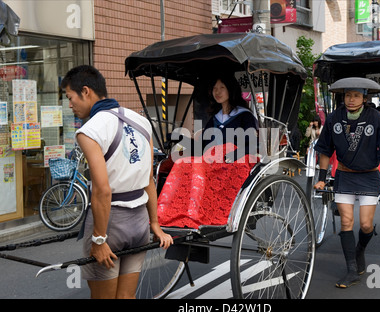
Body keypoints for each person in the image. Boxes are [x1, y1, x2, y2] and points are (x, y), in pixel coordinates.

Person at [61, 65, 173, 299]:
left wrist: (99, 239)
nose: (70, 105)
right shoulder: (141, 122)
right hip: (139, 223)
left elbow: (102, 190)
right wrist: (155, 223)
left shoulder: (89, 131)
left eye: (70, 98)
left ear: (86, 91)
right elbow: (148, 181)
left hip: (110, 225)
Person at [314, 77, 380, 289]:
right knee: (346, 222)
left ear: (364, 97)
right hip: (344, 176)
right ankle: (352, 270)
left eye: (356, 95)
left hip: (370, 176)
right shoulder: (334, 118)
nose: (351, 99)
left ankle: (360, 248)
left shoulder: (375, 118)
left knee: (366, 224)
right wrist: (322, 180)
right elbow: (325, 150)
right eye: (348, 95)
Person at [157, 74, 258, 229]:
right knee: (182, 162)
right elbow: (202, 144)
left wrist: (231, 154)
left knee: (198, 166)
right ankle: (169, 210)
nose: (217, 92)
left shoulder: (244, 115)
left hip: (235, 159)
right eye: (214, 89)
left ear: (231, 90)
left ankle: (194, 212)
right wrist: (182, 139)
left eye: (222, 88)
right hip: (212, 158)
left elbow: (252, 142)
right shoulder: (215, 118)